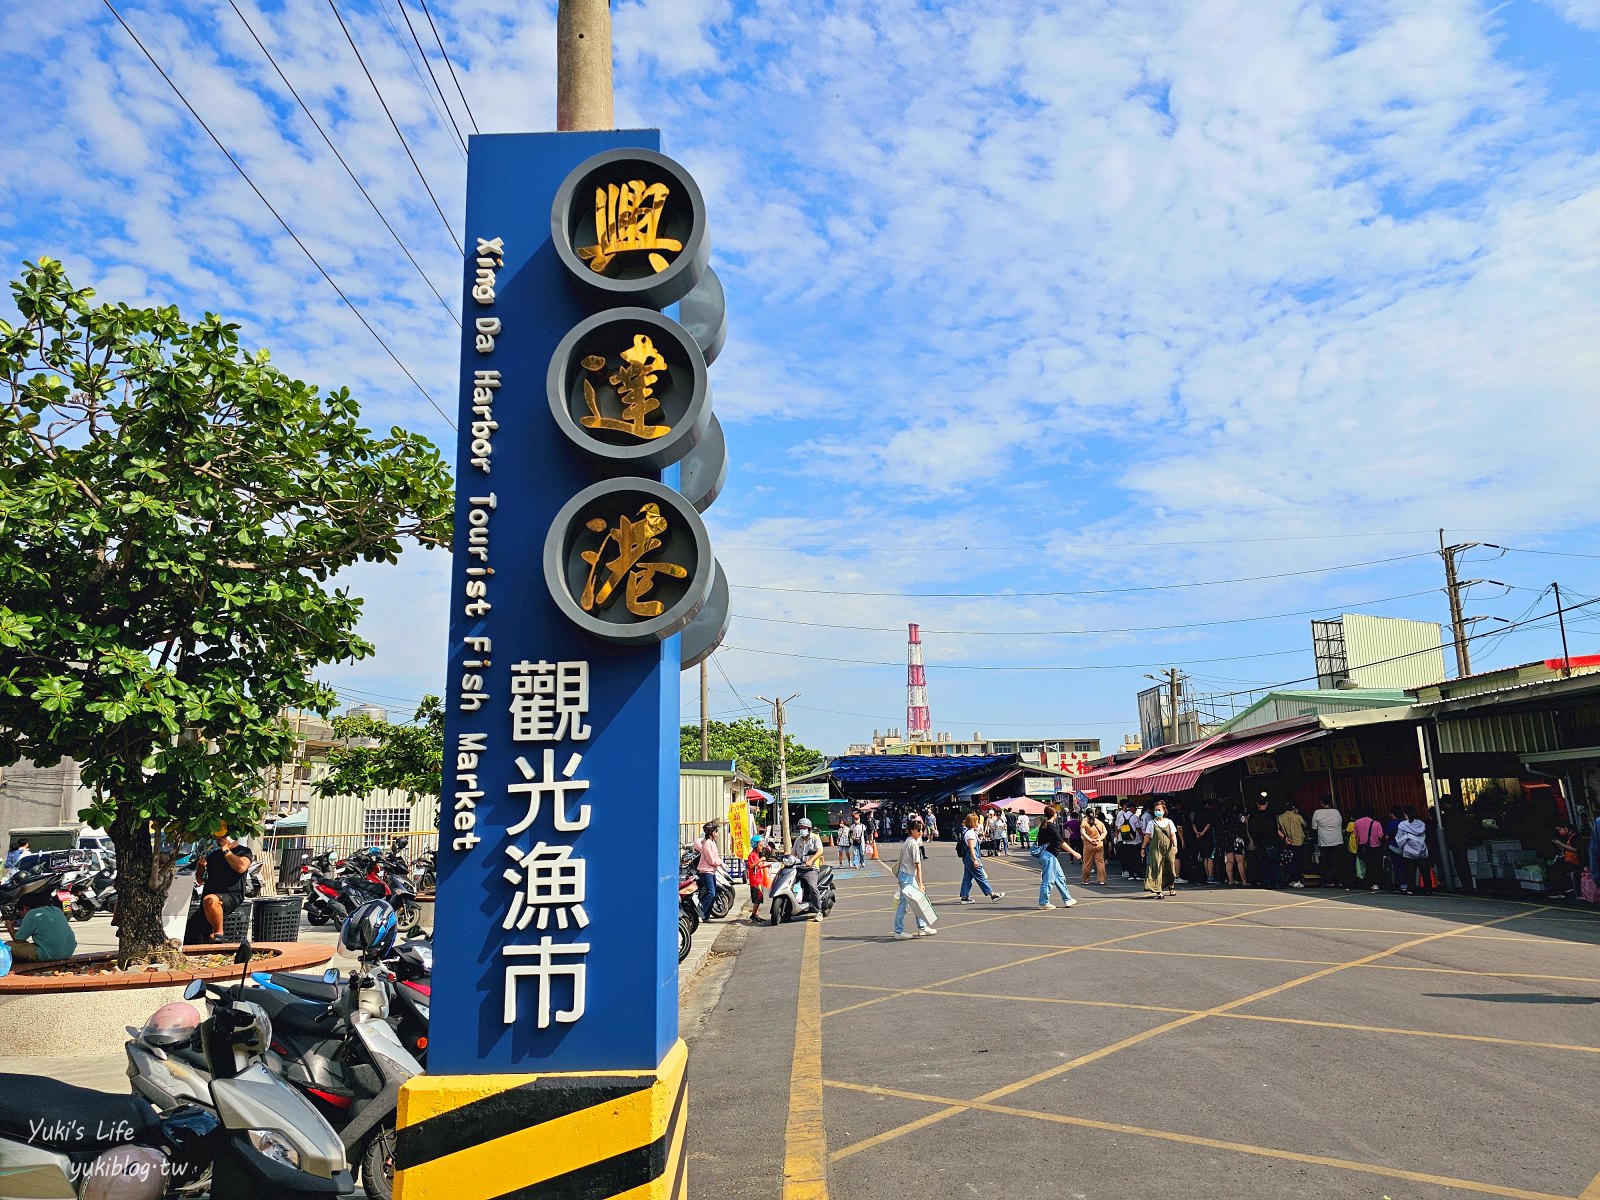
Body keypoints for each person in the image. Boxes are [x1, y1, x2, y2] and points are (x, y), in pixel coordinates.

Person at [193, 828, 254, 943]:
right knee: (206, 932)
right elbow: (201, 880)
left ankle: (219, 933)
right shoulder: (213, 856)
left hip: (231, 894)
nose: (217, 841)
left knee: (210, 900)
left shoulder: (243, 851)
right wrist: (200, 869)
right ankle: (215, 941)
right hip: (210, 893)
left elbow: (241, 867)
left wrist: (227, 851)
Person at [893, 816, 935, 940]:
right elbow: (918, 865)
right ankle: (898, 931)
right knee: (903, 905)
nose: (920, 832)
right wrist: (921, 883)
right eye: (918, 830)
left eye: (921, 830)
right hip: (907, 877)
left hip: (906, 876)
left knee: (918, 901)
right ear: (911, 830)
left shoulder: (908, 841)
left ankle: (922, 927)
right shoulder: (913, 844)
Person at [4, 891, 76, 962]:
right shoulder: (57, 910)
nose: (21, 915)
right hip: (68, 952)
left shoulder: (32, 913)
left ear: (24, 907)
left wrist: (9, 926)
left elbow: (18, 940)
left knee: (8, 945)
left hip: (50, 954)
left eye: (20, 911)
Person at [1033, 804, 1080, 910]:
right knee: (1048, 880)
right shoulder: (1051, 826)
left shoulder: (1043, 825)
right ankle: (1043, 902)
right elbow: (1061, 842)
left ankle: (1067, 899)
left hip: (1049, 855)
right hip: (1049, 855)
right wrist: (1074, 853)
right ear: (1054, 814)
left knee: (1060, 877)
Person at [957, 813, 1006, 904]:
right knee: (980, 876)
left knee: (967, 877)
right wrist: (975, 859)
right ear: (972, 822)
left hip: (968, 858)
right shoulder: (970, 833)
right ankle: (992, 894)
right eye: (977, 821)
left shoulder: (969, 832)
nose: (979, 823)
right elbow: (971, 847)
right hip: (971, 858)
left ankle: (964, 896)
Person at [1143, 801, 1181, 898]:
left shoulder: (1169, 822)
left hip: (1168, 847)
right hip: (1155, 848)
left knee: (1170, 867)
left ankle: (1171, 886)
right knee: (1156, 868)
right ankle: (1158, 890)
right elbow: (1147, 836)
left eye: (1159, 810)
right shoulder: (1151, 823)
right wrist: (1143, 847)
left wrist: (1175, 846)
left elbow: (1173, 835)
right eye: (1156, 810)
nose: (1157, 811)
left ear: (1164, 811)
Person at [1310, 796, 1346, 888]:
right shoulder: (1336, 812)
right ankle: (1340, 881)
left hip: (1324, 842)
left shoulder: (1317, 812)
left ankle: (1329, 881)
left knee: (1326, 862)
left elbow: (1314, 828)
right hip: (1337, 840)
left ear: (1321, 803)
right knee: (1337, 862)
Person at [793, 818, 826, 918]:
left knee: (813, 887)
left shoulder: (815, 838)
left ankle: (818, 911)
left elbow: (820, 851)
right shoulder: (798, 840)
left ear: (809, 829)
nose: (802, 830)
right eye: (801, 828)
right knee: (788, 885)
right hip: (798, 867)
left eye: (804, 828)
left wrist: (811, 860)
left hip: (811, 868)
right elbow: (793, 853)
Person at [1393, 808, 1431, 895]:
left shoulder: (1402, 825)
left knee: (1410, 872)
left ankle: (1411, 889)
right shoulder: (1421, 823)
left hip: (1409, 851)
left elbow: (1399, 839)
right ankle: (1428, 889)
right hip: (1422, 851)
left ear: (1405, 814)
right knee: (1425, 872)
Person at [1247, 796, 1281, 888]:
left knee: (1262, 862)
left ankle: (1267, 881)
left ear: (1257, 804)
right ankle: (1277, 881)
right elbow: (1275, 828)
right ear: (1266, 804)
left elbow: (1250, 829)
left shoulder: (1252, 815)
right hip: (1270, 839)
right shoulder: (1271, 815)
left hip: (1258, 841)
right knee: (1273, 861)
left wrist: (1253, 840)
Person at [1352, 807, 1386, 893]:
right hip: (1375, 847)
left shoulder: (1357, 822)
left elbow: (1356, 836)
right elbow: (1380, 836)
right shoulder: (1376, 823)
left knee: (1365, 865)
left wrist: (1357, 847)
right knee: (1375, 866)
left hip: (1362, 847)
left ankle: (1366, 883)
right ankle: (1375, 884)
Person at [696, 820, 724, 921]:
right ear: (711, 832)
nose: (717, 833)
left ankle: (706, 916)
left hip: (711, 871)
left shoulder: (711, 842)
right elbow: (710, 859)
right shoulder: (708, 843)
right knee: (711, 893)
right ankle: (700, 912)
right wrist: (720, 863)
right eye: (716, 831)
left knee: (713, 893)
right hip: (706, 871)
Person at [1277, 802, 1308, 889]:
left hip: (1287, 841)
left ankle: (1290, 879)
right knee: (1298, 860)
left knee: (1289, 860)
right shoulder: (1297, 816)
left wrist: (1284, 837)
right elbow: (1304, 825)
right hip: (1298, 841)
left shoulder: (1280, 817)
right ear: (1293, 807)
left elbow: (1277, 829)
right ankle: (1296, 879)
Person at [1218, 804, 1249, 886]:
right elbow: (1245, 825)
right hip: (1238, 839)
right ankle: (1244, 881)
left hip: (1227, 839)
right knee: (1240, 862)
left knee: (1229, 861)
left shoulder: (1223, 817)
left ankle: (1230, 880)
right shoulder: (1239, 816)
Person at [746, 835, 771, 924]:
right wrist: (760, 860)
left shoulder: (756, 855)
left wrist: (765, 865)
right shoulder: (752, 855)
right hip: (755, 881)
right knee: (757, 898)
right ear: (755, 845)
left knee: (759, 898)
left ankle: (755, 914)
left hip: (759, 879)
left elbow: (758, 867)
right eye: (760, 846)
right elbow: (751, 866)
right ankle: (753, 915)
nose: (761, 847)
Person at [1079, 808, 1108, 885]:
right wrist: (1099, 839)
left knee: (1087, 863)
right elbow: (1105, 832)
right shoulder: (1099, 822)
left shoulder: (1084, 822)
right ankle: (1102, 880)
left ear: (1086, 814)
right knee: (1100, 862)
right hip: (1099, 845)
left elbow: (1083, 833)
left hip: (1088, 845)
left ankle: (1085, 880)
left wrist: (1090, 840)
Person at [1115, 802, 1143, 880]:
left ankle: (1131, 875)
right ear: (1132, 808)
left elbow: (1118, 829)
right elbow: (1139, 828)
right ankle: (1138, 874)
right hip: (1135, 840)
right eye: (1135, 808)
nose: (1136, 810)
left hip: (1126, 841)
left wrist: (1119, 836)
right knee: (1137, 858)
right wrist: (1142, 837)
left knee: (1129, 858)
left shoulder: (1122, 817)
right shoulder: (1135, 817)